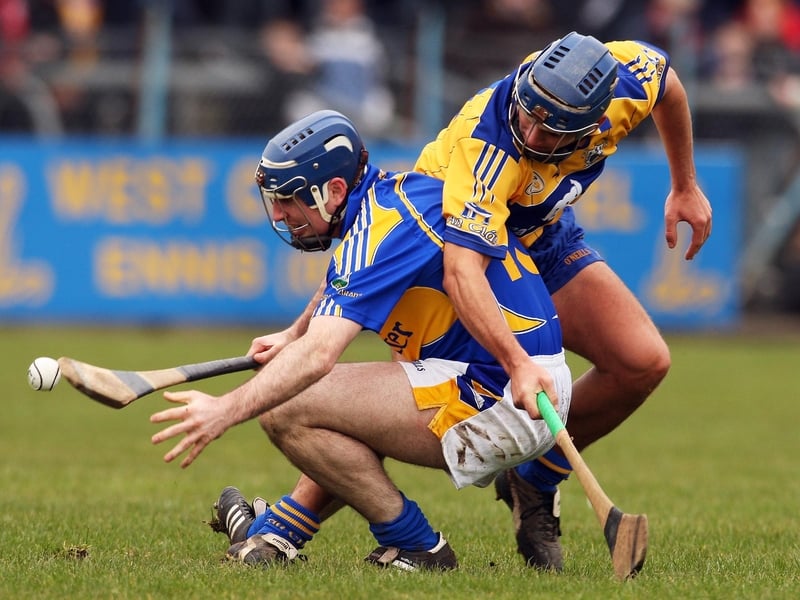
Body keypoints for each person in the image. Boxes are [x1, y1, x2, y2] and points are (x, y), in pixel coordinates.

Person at [209, 31, 712, 573]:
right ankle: (285, 527)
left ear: (593, 120)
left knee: (642, 362)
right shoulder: (483, 151)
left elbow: (669, 85)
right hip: (453, 251)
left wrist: (684, 185)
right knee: (377, 401)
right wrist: (301, 331)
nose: (531, 133)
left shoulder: (621, 78)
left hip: (541, 237)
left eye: (550, 131)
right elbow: (437, 268)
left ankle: (534, 481)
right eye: (527, 116)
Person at [150, 109, 572, 570]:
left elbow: (319, 356)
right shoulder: (394, 199)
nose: (279, 214)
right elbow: (341, 279)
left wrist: (224, 410)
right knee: (336, 403)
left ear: (334, 191)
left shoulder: (378, 232)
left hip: (506, 394)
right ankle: (277, 531)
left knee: (286, 404)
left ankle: (418, 546)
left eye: (288, 200)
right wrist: (294, 334)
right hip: (527, 385)